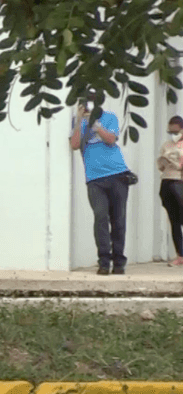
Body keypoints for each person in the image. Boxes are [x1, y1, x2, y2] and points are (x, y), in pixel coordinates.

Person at [69, 91, 133, 275]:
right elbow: (74, 145)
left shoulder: (109, 117)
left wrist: (95, 125)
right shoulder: (78, 121)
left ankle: (119, 261)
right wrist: (80, 122)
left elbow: (111, 139)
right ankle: (104, 261)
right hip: (95, 179)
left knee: (118, 220)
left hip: (117, 175)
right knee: (100, 218)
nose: (89, 106)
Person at [157, 116, 183, 266]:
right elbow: (160, 165)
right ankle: (180, 254)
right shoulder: (167, 145)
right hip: (167, 180)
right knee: (174, 220)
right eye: (170, 131)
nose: (173, 135)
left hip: (179, 181)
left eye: (175, 131)